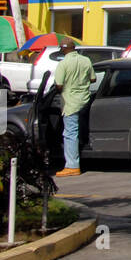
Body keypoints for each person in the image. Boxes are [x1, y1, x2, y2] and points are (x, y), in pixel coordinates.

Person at [52, 39, 95, 178]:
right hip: (85, 100)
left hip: (70, 102)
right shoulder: (86, 60)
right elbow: (93, 79)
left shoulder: (63, 64)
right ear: (74, 48)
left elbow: (58, 85)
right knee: (81, 130)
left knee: (70, 134)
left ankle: (72, 165)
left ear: (63, 49)